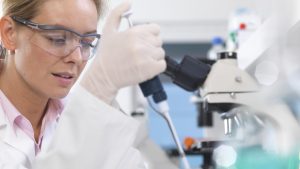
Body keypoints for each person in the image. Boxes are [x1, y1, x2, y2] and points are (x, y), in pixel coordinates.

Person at [0, 0, 166, 168]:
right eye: (57, 39)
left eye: (86, 43)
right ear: (9, 33)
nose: (77, 58)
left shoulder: (87, 116)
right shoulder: (87, 112)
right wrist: (96, 94)